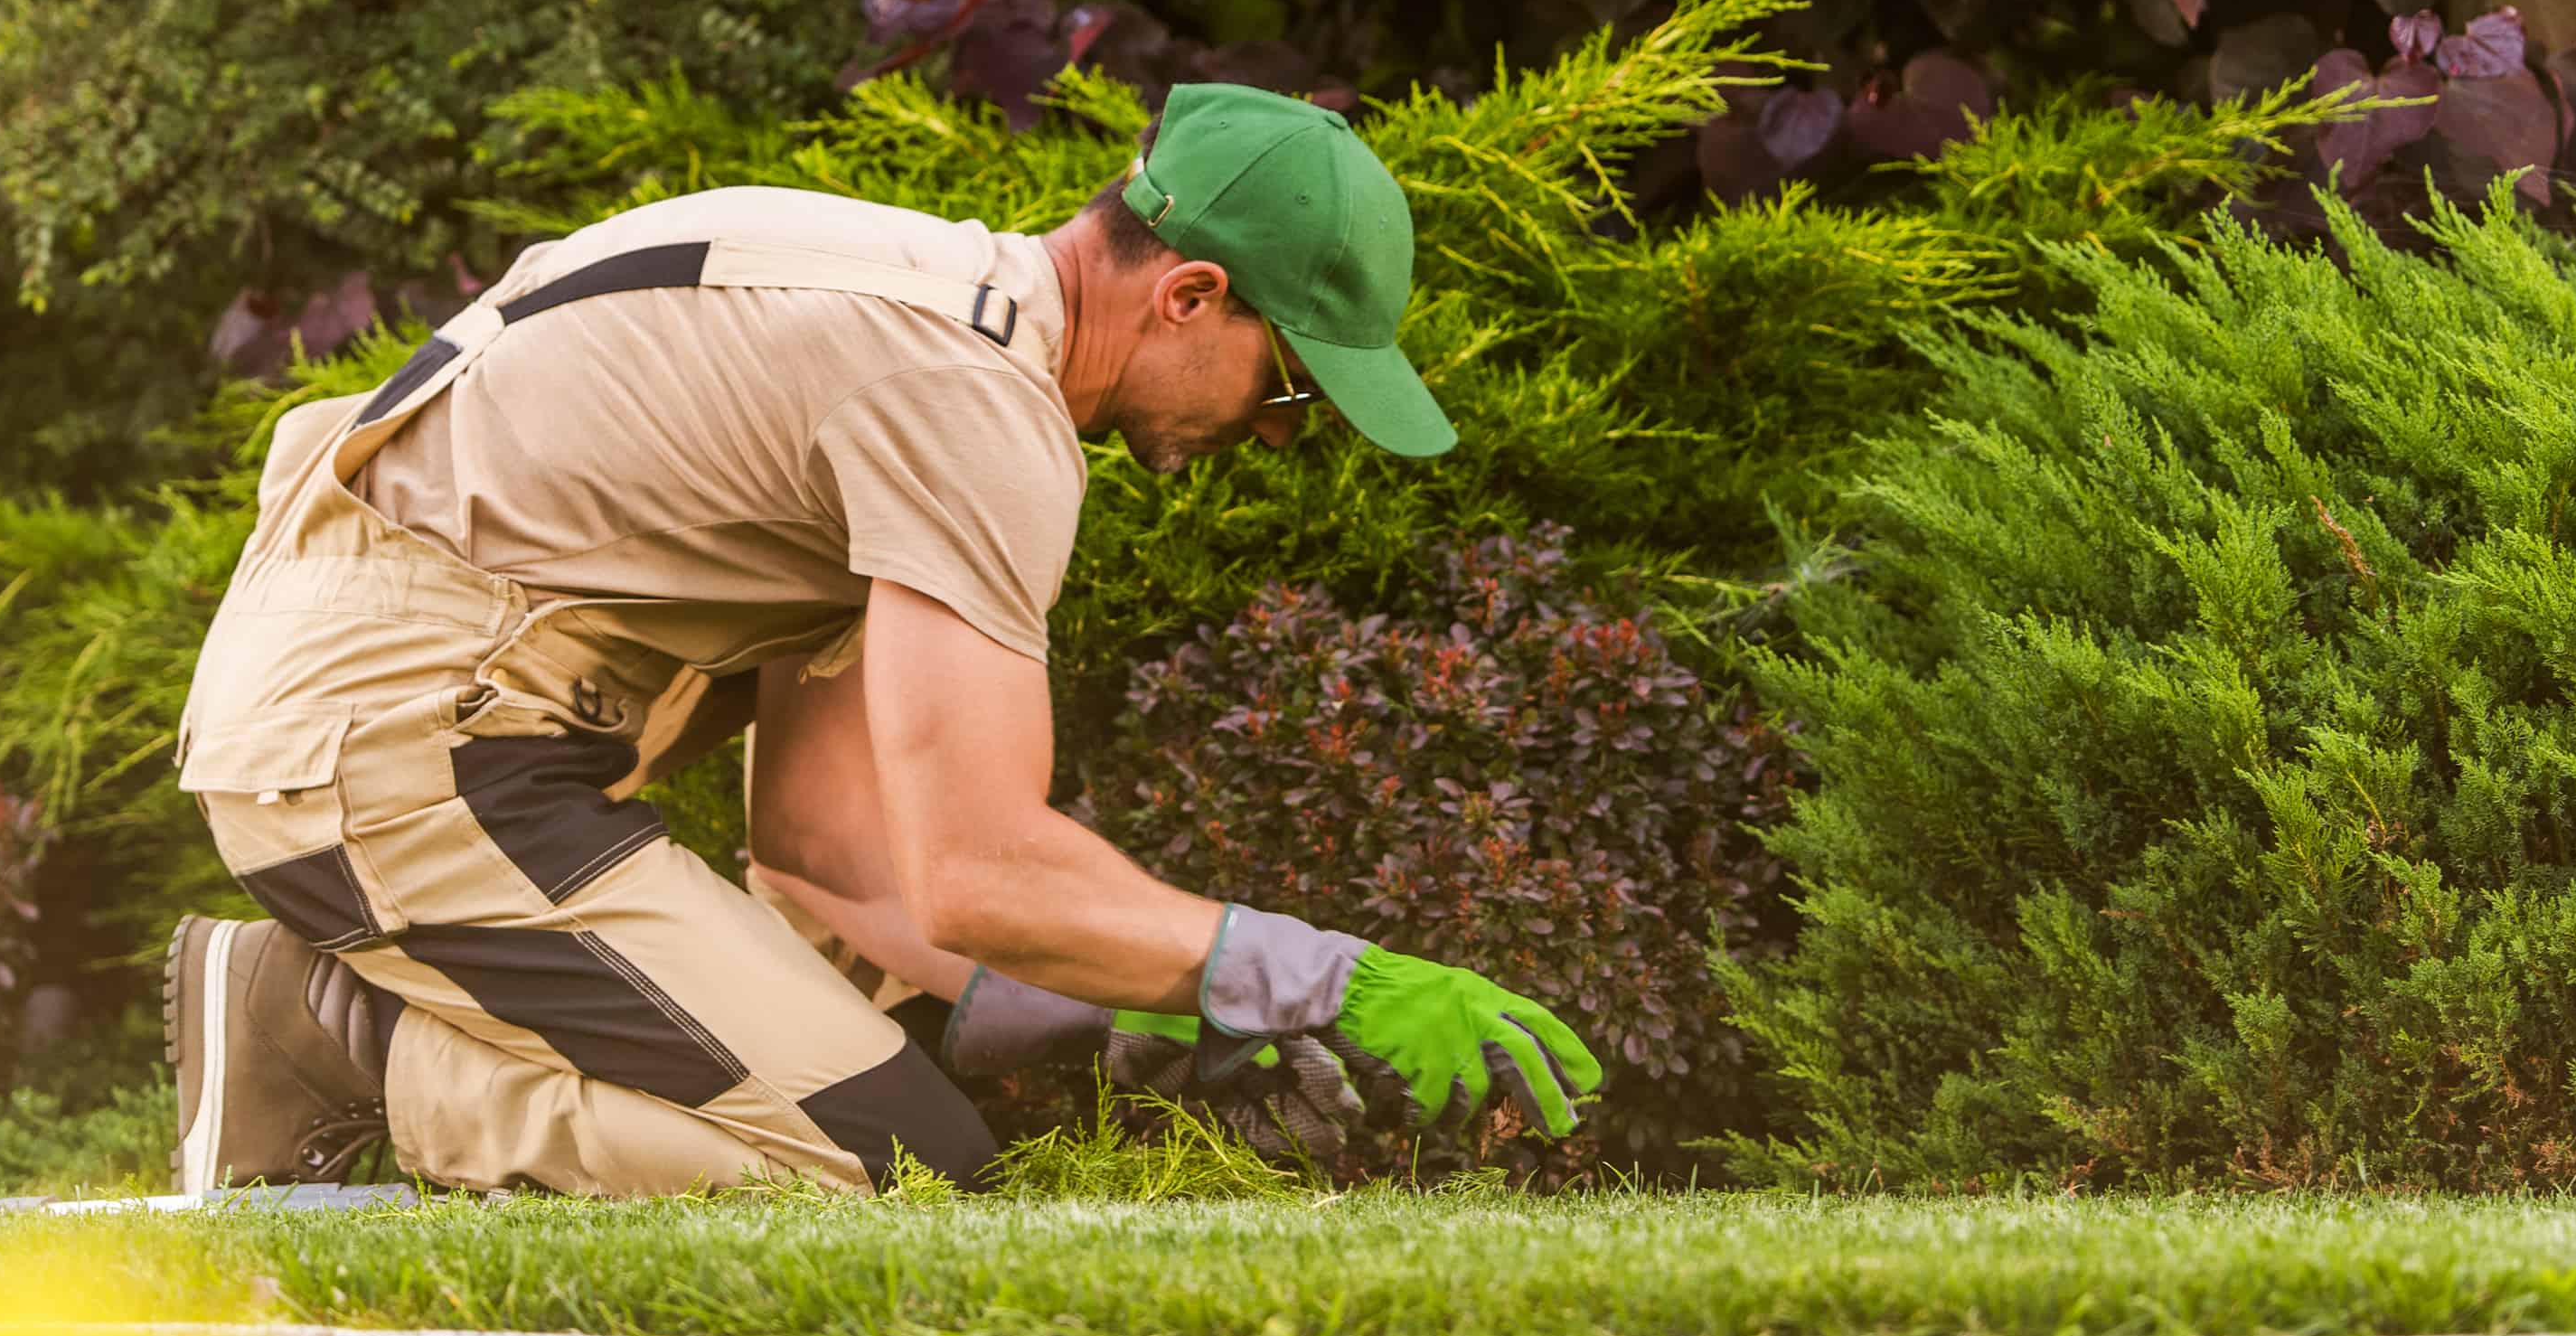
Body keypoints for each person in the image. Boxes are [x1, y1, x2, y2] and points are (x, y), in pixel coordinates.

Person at [162, 81, 1603, 1198]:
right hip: (410, 751)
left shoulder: (927, 325)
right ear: (1191, 298)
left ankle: (353, 1025)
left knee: (904, 1107)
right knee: (880, 1167)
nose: (1268, 435)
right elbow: (980, 875)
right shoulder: (972, 410)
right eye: (1284, 391)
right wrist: (1321, 980)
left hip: (429, 725)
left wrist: (1116, 1022)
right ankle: (332, 1041)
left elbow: (822, 849)